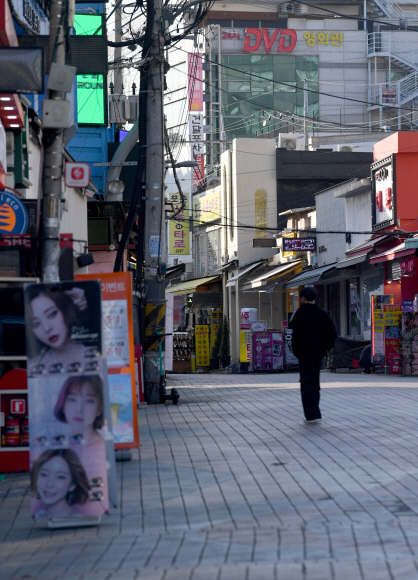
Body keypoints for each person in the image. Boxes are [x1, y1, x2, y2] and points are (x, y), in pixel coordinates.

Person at [288, 286, 337, 424]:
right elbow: (332, 333)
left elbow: (293, 334)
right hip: (318, 353)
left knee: (306, 381)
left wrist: (297, 351)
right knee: (315, 381)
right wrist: (325, 347)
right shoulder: (322, 313)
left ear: (303, 298)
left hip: (304, 354)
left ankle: (311, 413)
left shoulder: (298, 314)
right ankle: (315, 409)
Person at [26, 285, 89, 375]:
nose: (47, 328)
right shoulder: (33, 364)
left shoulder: (92, 358)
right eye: (35, 324)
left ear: (64, 311)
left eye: (52, 314)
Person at [31, 448, 89, 519]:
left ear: (72, 485)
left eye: (60, 477)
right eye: (44, 474)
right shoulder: (39, 515)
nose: (49, 484)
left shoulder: (77, 518)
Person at [54, 375, 104, 446]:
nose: (79, 409)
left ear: (99, 409)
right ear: (63, 405)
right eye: (72, 399)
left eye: (89, 401)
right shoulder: (61, 446)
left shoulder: (102, 448)